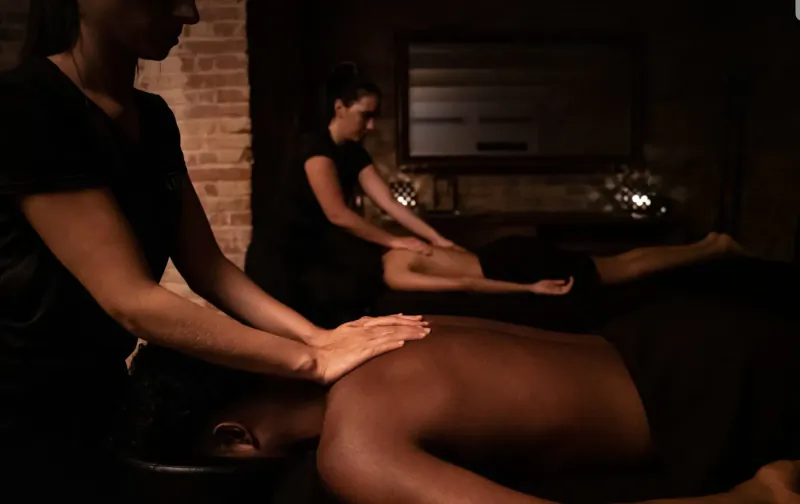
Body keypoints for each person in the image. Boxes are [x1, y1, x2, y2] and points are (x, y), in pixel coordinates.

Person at [0, 0, 426, 497]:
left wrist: (318, 338)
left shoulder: (153, 117)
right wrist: (308, 361)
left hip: (100, 393)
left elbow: (209, 268)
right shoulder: (26, 104)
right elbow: (131, 300)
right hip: (17, 407)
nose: (189, 13)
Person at [127, 298, 800, 504]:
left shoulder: (355, 450)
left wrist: (754, 499)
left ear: (231, 436)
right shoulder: (370, 332)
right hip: (695, 333)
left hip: (726, 398)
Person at [245, 63, 462, 324]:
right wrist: (393, 241)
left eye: (374, 117)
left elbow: (388, 202)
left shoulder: (355, 152)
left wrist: (435, 238)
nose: (370, 125)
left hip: (315, 254)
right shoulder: (315, 146)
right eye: (364, 115)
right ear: (340, 108)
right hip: (282, 258)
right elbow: (337, 214)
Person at [382, 231, 745, 296]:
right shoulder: (398, 244)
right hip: (504, 251)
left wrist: (529, 288)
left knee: (621, 269)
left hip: (511, 268)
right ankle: (707, 246)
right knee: (618, 264)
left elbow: (467, 284)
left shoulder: (394, 274)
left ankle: (712, 250)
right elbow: (451, 248)